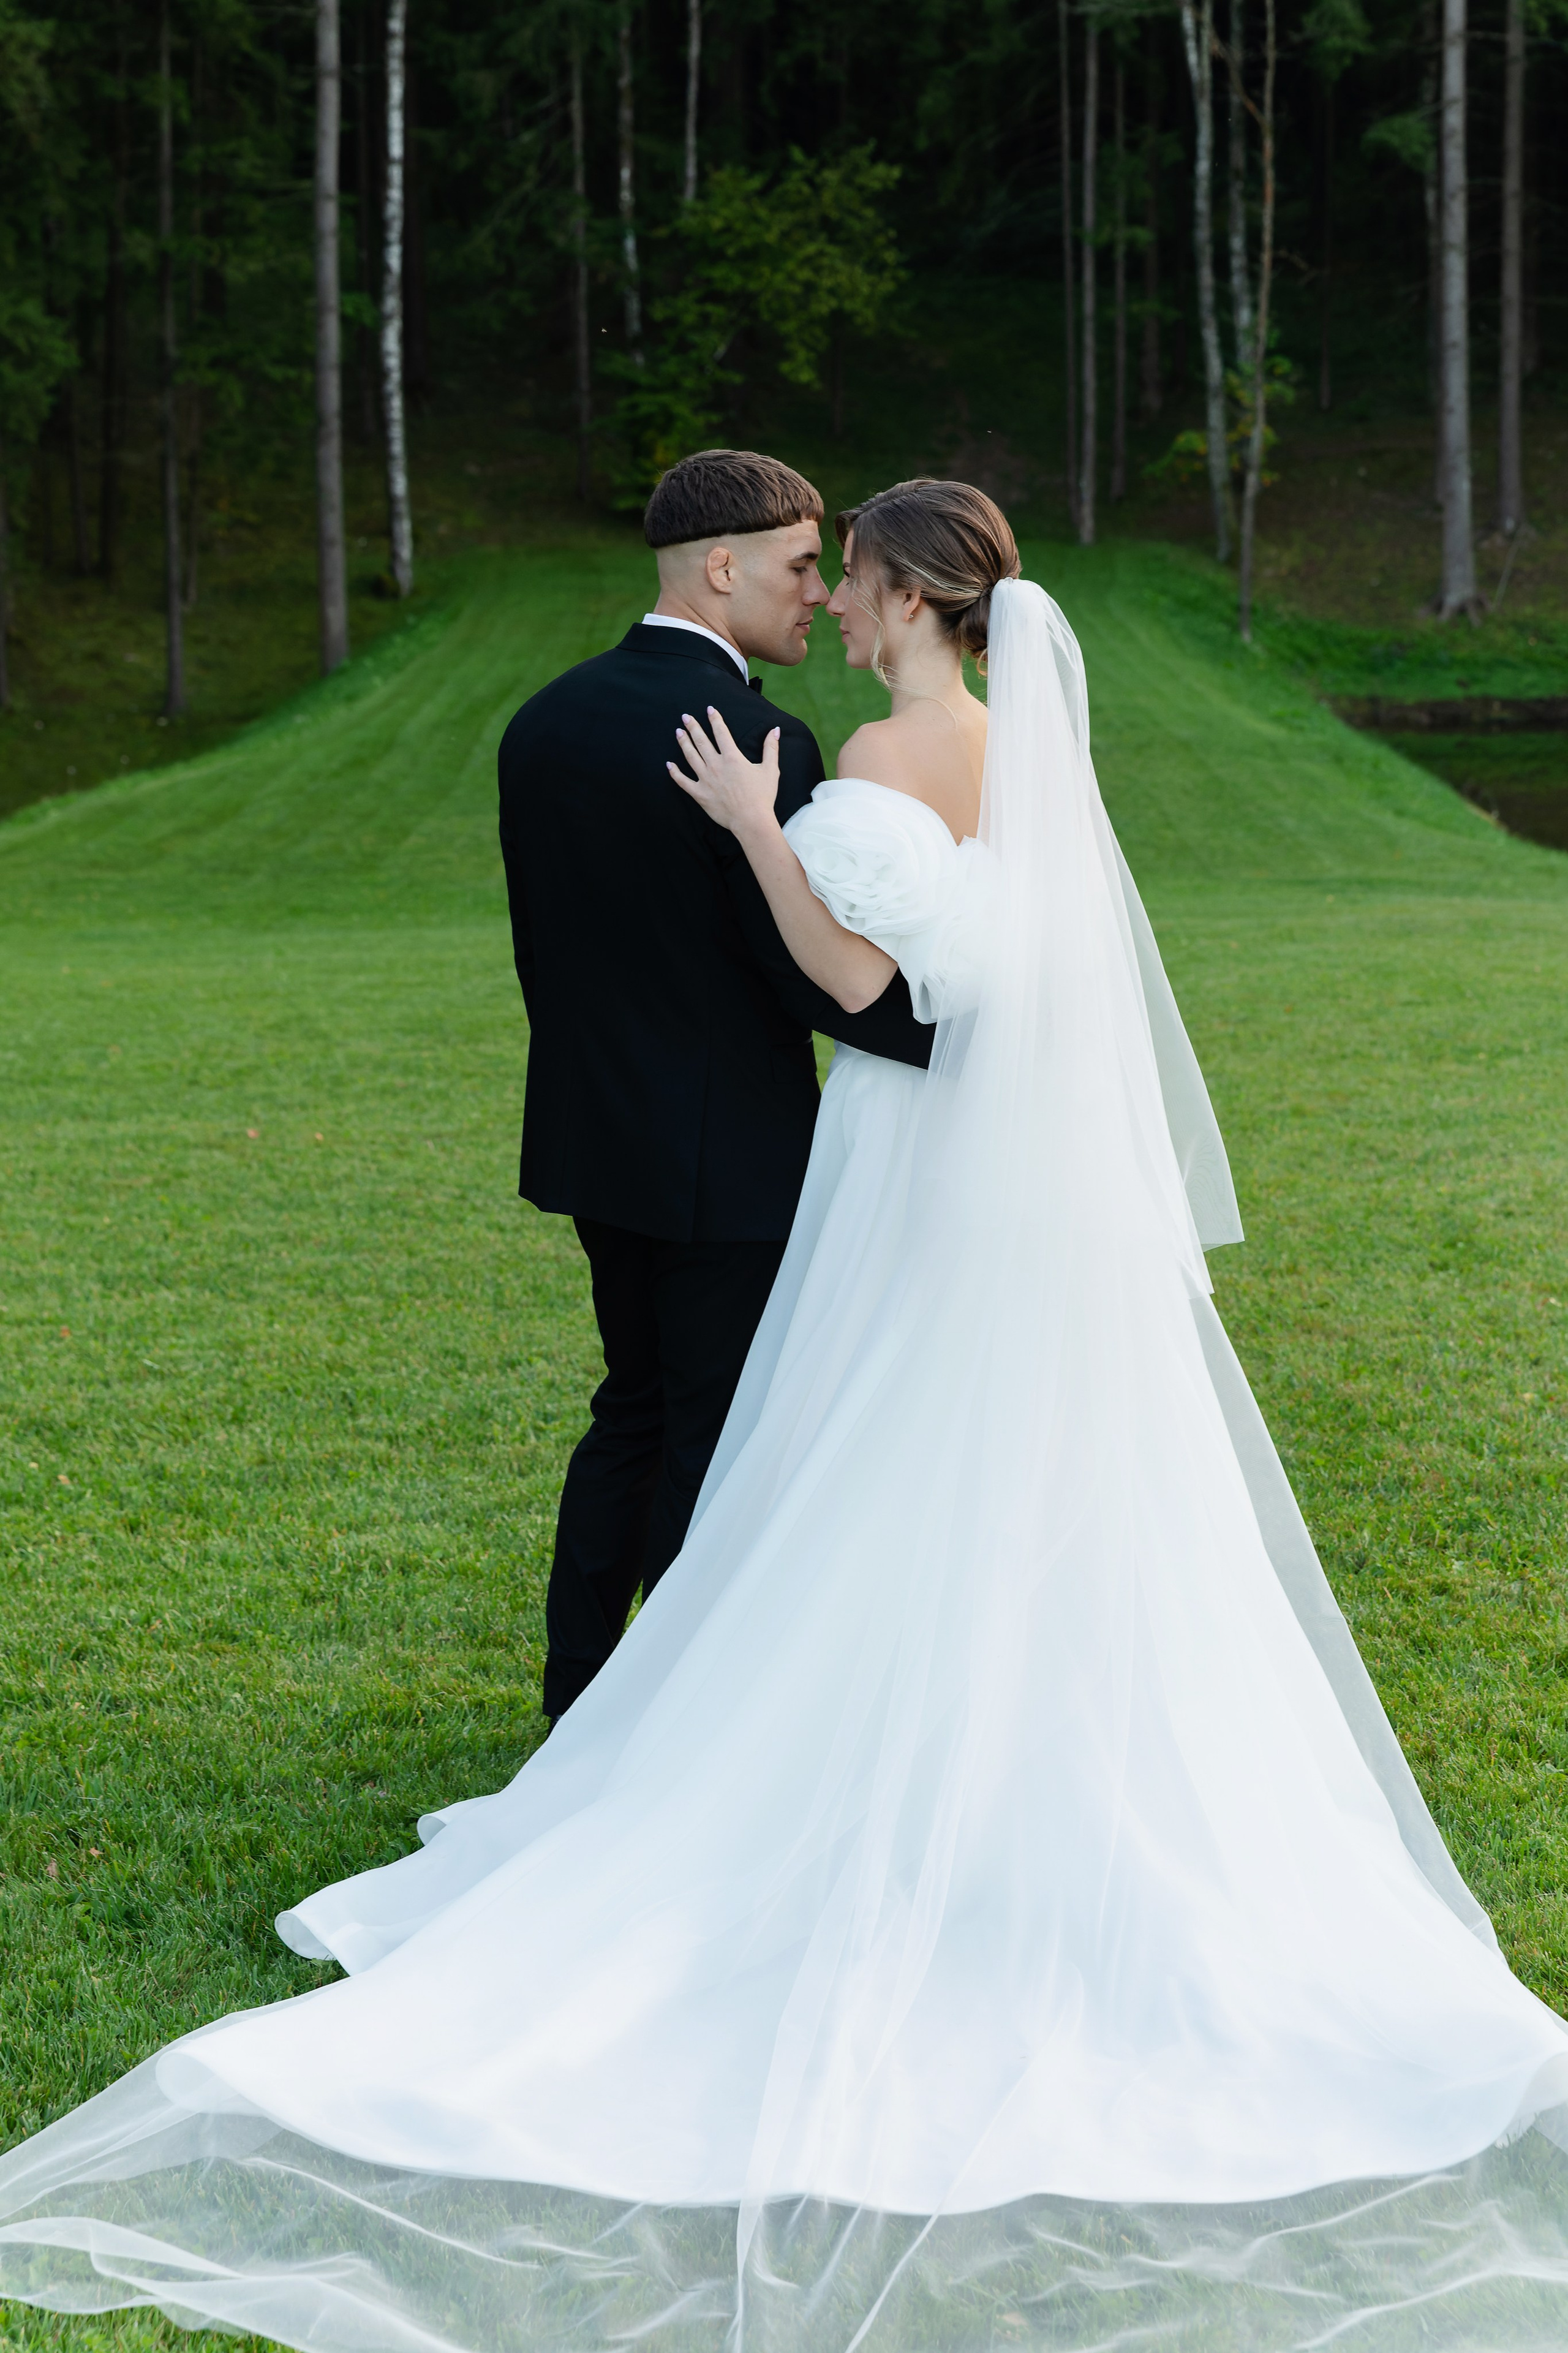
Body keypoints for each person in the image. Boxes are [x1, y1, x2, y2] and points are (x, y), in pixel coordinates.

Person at [6, 479, 1568, 2353]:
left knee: (831, 1461)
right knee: (1000, 1471)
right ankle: (1000, 1786)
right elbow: (1007, 986)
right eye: (808, 573)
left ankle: (737, 1756)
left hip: (900, 1168)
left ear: (913, 593)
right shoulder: (1016, 753)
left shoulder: (856, 767)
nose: (826, 604)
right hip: (1012, 1180)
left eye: (854, 582)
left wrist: (761, 828)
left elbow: (848, 976)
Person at [496, 448, 932, 1723]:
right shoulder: (754, 739)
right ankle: (669, 1732)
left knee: (628, 1411)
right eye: (801, 566)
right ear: (721, 565)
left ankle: (574, 1700)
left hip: (592, 1145)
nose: (817, 593)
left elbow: (555, 955)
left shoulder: (543, 723)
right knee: (711, 1441)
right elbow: (805, 973)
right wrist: (957, 1044)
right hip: (729, 1159)